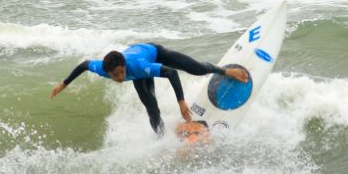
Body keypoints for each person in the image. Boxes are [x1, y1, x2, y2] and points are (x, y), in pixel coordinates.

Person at [50, 43, 247, 136]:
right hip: (139, 74)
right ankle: (163, 140)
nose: (119, 78)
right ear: (107, 72)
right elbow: (84, 65)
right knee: (152, 109)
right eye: (115, 75)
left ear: (123, 66)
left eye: (120, 73)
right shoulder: (103, 68)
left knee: (197, 69)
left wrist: (181, 102)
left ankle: (226, 71)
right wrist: (63, 84)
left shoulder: (135, 65)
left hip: (154, 54)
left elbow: (171, 73)